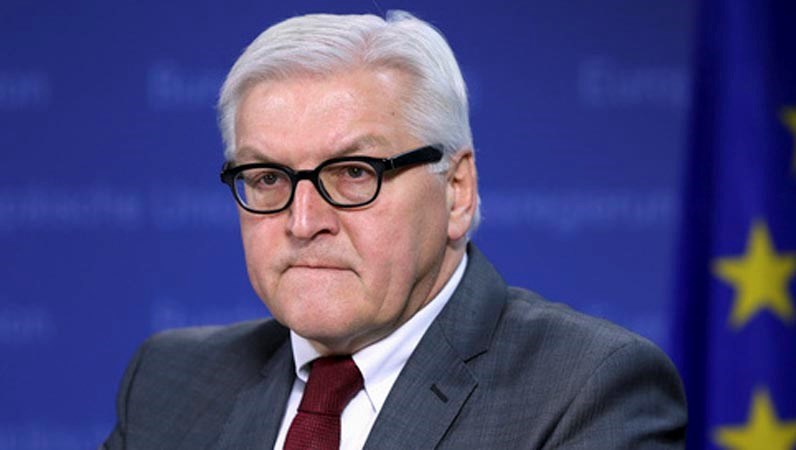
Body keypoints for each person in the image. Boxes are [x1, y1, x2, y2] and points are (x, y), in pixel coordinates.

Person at [102, 11, 686, 449]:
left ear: (457, 190)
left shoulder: (586, 390)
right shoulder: (167, 382)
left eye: (354, 173)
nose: (303, 222)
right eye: (268, 178)